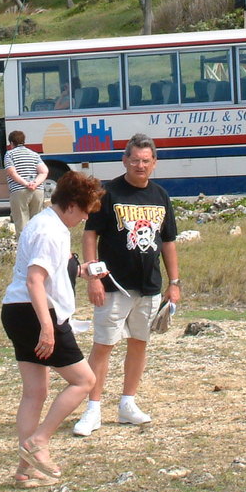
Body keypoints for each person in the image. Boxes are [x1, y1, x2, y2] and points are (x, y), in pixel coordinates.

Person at [73, 133, 181, 437]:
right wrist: (94, 277)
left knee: (139, 342)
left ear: (154, 162)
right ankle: (93, 408)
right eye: (135, 160)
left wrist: (174, 282)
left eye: (146, 160)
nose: (140, 165)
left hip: (149, 286)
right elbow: (90, 234)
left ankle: (127, 403)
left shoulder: (160, 196)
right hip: (113, 285)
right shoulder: (109, 193)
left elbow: (168, 241)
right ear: (125, 160)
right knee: (104, 345)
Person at [1, 171, 102, 487]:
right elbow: (35, 280)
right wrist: (47, 326)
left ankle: (24, 470)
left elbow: (49, 270)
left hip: (17, 310)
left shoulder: (45, 222)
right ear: (71, 204)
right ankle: (39, 441)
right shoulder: (50, 231)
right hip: (36, 312)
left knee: (35, 392)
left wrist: (82, 270)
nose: (86, 217)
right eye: (84, 210)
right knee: (84, 380)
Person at [4, 131, 48, 237]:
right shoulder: (34, 154)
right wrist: (35, 183)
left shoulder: (9, 154)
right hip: (37, 190)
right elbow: (44, 171)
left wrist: (26, 184)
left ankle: (24, 246)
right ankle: (36, 244)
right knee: (36, 223)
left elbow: (11, 172)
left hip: (19, 190)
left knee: (22, 223)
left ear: (11, 143)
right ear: (24, 141)